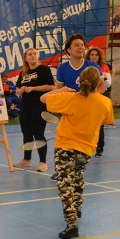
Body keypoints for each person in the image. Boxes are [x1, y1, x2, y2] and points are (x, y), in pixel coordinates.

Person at [41, 67, 114, 239]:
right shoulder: (105, 102)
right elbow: (107, 121)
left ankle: (71, 224)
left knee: (65, 185)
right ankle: (77, 208)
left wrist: (62, 90)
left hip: (65, 146)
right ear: (98, 83)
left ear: (79, 81)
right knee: (77, 177)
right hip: (87, 149)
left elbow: (43, 98)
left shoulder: (70, 98)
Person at [50, 34, 105, 179]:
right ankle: (62, 168)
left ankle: (77, 169)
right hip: (70, 109)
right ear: (69, 50)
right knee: (64, 139)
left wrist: (90, 101)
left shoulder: (92, 66)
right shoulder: (62, 68)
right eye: (76, 45)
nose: (80, 47)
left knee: (83, 141)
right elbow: (59, 90)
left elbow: (102, 86)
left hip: (87, 111)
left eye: (82, 45)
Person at [14, 48, 55, 171]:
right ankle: (26, 160)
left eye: (34, 54)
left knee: (38, 134)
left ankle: (43, 162)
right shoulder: (23, 73)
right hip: (25, 108)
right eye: (29, 54)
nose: (32, 56)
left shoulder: (44, 69)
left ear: (38, 56)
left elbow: (51, 87)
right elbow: (17, 90)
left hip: (39, 108)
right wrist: (21, 90)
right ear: (26, 58)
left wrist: (33, 88)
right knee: (26, 135)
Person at [85, 47, 112, 156]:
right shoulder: (85, 67)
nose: (94, 56)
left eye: (96, 54)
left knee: (99, 124)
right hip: (87, 97)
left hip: (100, 96)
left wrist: (102, 79)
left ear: (99, 56)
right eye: (92, 54)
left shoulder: (104, 67)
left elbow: (108, 84)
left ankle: (99, 148)